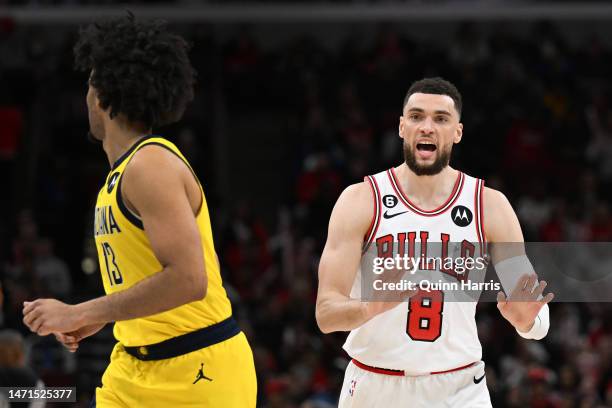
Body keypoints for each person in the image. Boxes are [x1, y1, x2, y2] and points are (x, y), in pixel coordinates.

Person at [22, 14, 256, 407]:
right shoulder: (122, 174)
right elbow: (146, 278)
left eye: (88, 82)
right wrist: (100, 317)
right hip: (133, 367)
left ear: (101, 93)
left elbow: (187, 279)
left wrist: (81, 310)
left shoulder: (151, 165)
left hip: (197, 370)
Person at [315, 77, 553, 407]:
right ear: (401, 127)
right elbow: (326, 314)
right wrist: (369, 307)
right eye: (416, 116)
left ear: (457, 131)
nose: (427, 127)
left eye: (440, 118)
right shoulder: (360, 200)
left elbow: (536, 314)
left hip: (459, 388)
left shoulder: (490, 205)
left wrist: (528, 321)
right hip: (375, 385)